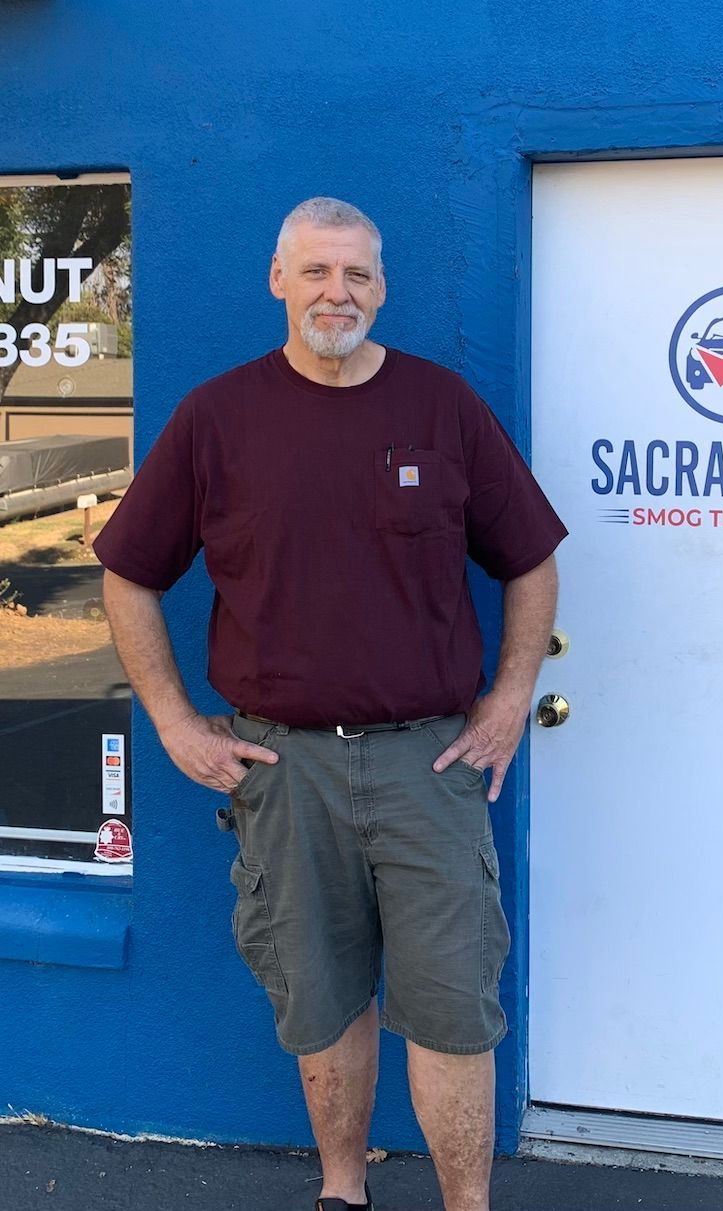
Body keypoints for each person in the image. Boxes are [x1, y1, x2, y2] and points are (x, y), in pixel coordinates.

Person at [92, 197, 567, 1211]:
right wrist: (175, 719)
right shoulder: (216, 419)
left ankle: (465, 1203)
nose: (335, 293)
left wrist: (509, 696)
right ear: (278, 280)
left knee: (450, 1004)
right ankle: (341, 1189)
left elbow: (529, 555)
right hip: (283, 766)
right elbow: (127, 572)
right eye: (315, 272)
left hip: (429, 766)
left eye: (355, 274)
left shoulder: (443, 410)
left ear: (380, 287)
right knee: (318, 995)